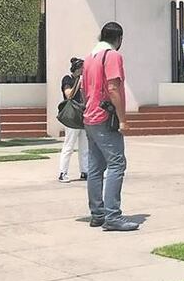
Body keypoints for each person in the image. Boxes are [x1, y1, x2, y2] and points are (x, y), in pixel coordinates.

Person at [81, 21, 138, 232]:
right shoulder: (112, 56)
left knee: (95, 168)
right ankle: (113, 216)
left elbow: (86, 90)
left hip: (90, 117)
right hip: (105, 118)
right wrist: (122, 119)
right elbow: (113, 88)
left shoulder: (89, 58)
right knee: (117, 164)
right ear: (119, 38)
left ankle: (97, 214)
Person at [58, 57, 89, 183]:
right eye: (82, 68)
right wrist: (78, 81)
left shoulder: (85, 80)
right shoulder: (68, 79)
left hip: (83, 115)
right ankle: (62, 172)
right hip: (72, 117)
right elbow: (69, 94)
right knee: (69, 145)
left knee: (84, 146)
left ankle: (85, 171)